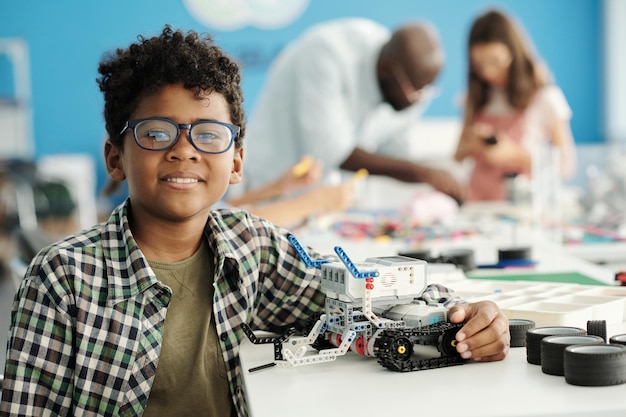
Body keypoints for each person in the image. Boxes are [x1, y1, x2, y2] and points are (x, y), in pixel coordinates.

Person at [0, 26, 509, 417]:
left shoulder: (254, 249)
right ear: (115, 157)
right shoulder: (62, 278)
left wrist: (463, 315)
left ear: (237, 161)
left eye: (209, 134)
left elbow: (365, 297)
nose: (184, 150)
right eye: (156, 133)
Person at [241, 17, 465, 203]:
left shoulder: (408, 79)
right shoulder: (327, 53)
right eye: (414, 92)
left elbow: (396, 155)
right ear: (387, 71)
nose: (418, 102)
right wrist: (422, 173)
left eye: (427, 92)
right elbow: (334, 151)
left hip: (325, 203)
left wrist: (438, 171)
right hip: (272, 191)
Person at [453, 9, 576, 201]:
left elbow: (565, 166)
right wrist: (475, 142)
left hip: (522, 207)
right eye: (479, 65)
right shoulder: (476, 98)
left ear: (515, 53)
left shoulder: (545, 98)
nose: (488, 72)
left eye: (496, 62)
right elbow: (457, 155)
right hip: (477, 204)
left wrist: (515, 156)